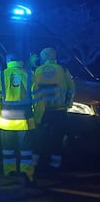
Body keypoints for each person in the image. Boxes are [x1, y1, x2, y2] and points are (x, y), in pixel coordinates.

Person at [0, 53, 44, 186]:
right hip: (25, 122)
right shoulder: (30, 74)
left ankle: (9, 176)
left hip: (5, 122)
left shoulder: (1, 75)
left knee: (8, 152)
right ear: (21, 61)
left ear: (8, 61)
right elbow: (39, 102)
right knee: (26, 152)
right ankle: (27, 176)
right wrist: (36, 119)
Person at [34, 47, 75, 176]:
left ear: (44, 57)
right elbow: (71, 88)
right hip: (59, 111)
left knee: (42, 139)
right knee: (57, 139)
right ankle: (55, 166)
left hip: (43, 111)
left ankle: (39, 165)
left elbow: (33, 90)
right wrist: (68, 103)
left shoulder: (38, 70)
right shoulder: (63, 70)